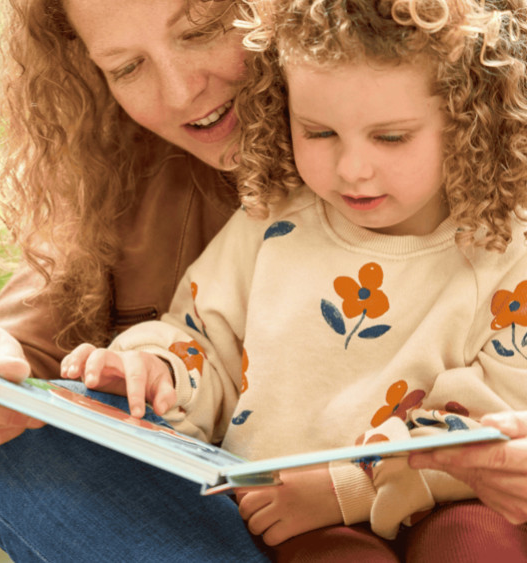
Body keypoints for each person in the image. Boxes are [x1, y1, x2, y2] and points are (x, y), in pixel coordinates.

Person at [61, 0, 527, 558]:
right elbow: (204, 343)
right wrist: (154, 367)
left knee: (479, 543)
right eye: (320, 132)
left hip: (447, 503)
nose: (352, 168)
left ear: (466, 119)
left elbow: (492, 429)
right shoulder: (272, 220)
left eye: (391, 138)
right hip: (294, 517)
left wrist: (349, 487)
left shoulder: (504, 244)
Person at [0, 0, 272, 560]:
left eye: (201, 31)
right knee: (30, 455)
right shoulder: (124, 170)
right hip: (221, 521)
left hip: (402, 488)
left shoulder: (428, 104)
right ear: (89, 72)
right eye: (127, 68)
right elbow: (17, 345)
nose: (180, 92)